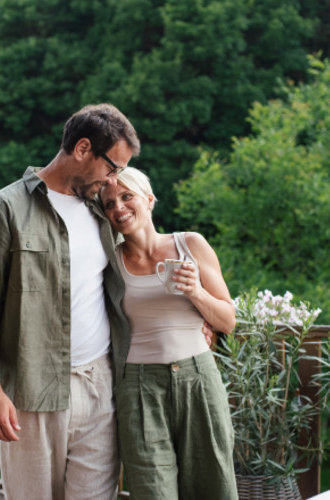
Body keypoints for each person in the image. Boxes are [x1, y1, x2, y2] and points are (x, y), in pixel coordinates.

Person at [0, 103, 136, 499]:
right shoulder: (3, 209)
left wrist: (195, 311)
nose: (113, 180)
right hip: (29, 392)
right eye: (112, 167)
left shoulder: (101, 211)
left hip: (99, 386)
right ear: (83, 148)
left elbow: (139, 264)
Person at [100, 168, 237, 500]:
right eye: (108, 203)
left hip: (199, 380)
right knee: (152, 491)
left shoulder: (190, 244)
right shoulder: (109, 264)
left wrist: (196, 293)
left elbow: (228, 321)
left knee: (213, 486)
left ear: (149, 199)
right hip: (139, 387)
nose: (118, 208)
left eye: (126, 196)